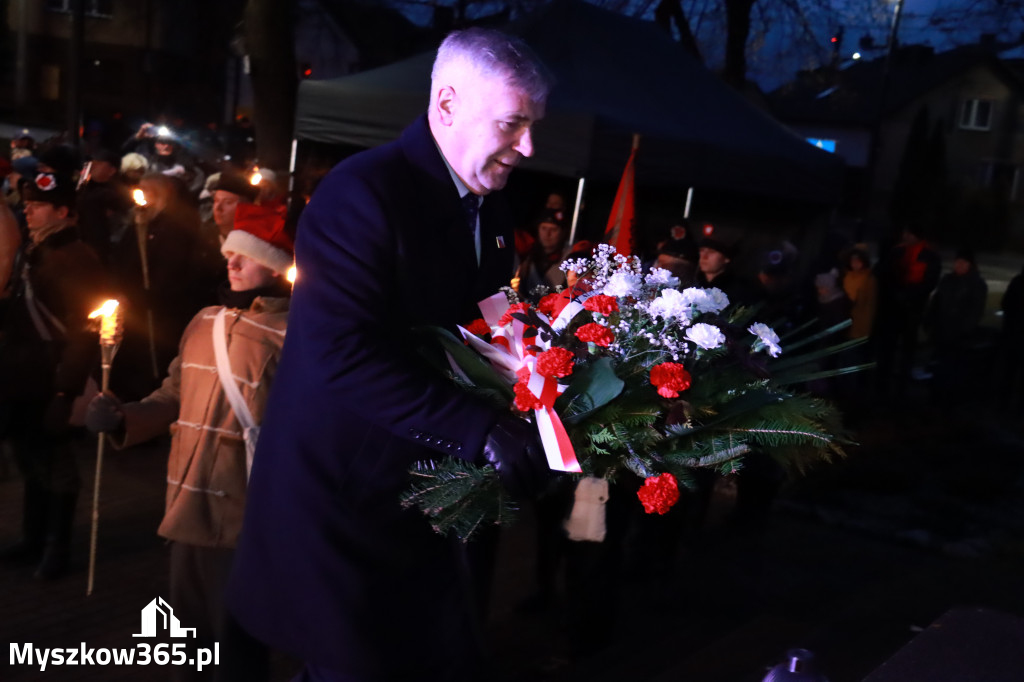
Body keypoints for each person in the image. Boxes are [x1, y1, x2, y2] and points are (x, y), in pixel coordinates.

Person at [227, 28, 552, 682]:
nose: (529, 147)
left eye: (533, 125)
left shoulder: (488, 204)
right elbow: (341, 354)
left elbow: (482, 320)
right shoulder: (363, 194)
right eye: (514, 124)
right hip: (346, 498)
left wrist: (550, 369)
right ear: (449, 104)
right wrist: (482, 428)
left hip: (419, 495)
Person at [84, 201, 292, 682]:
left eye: (248, 255)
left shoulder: (296, 334)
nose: (232, 262)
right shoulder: (204, 321)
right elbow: (174, 394)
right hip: (186, 506)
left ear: (277, 265)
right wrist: (122, 418)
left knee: (235, 650)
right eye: (230, 253)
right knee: (187, 647)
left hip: (247, 513)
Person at [0, 171, 108, 580]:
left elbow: (83, 330)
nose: (26, 209)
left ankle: (55, 546)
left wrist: (66, 393)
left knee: (57, 462)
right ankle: (33, 536)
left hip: (53, 374)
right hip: (23, 372)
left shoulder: (78, 258)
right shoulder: (36, 249)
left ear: (64, 211)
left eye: (38, 204)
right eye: (26, 203)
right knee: (29, 455)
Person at [515, 208, 568, 296]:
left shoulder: (570, 258)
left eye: (553, 230)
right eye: (544, 228)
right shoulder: (526, 255)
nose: (547, 234)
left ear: (562, 233)